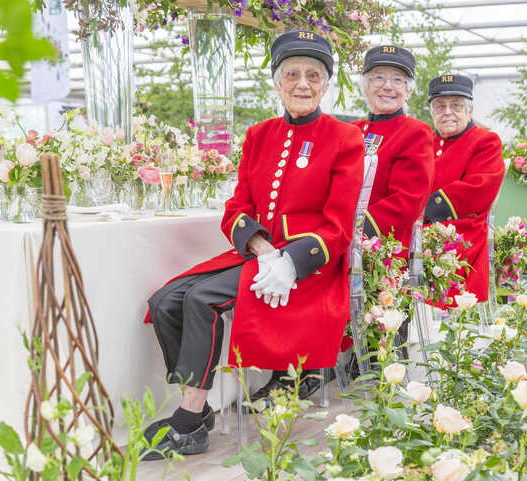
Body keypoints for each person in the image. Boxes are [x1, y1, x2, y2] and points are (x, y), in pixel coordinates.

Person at [142, 30, 365, 458]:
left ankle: (188, 422)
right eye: (293, 74)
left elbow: (339, 228)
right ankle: (202, 408)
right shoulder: (260, 134)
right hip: (258, 256)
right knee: (165, 300)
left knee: (202, 299)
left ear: (326, 84)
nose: (303, 83)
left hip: (307, 267)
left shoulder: (344, 138)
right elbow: (236, 207)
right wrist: (264, 250)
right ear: (277, 83)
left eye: (314, 75)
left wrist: (289, 262)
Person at [423, 74, 505, 305]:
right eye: (440, 106)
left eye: (456, 105)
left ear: (470, 110)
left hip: (461, 234)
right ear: (432, 111)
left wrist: (421, 210)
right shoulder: (424, 142)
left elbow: (478, 188)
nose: (447, 111)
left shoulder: (485, 141)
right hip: (419, 230)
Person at [352, 45, 434, 254]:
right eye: (378, 77)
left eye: (397, 80)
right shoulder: (350, 131)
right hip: (338, 242)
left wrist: (354, 229)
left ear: (408, 91)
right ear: (366, 86)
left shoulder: (416, 133)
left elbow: (406, 201)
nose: (387, 86)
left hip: (382, 249)